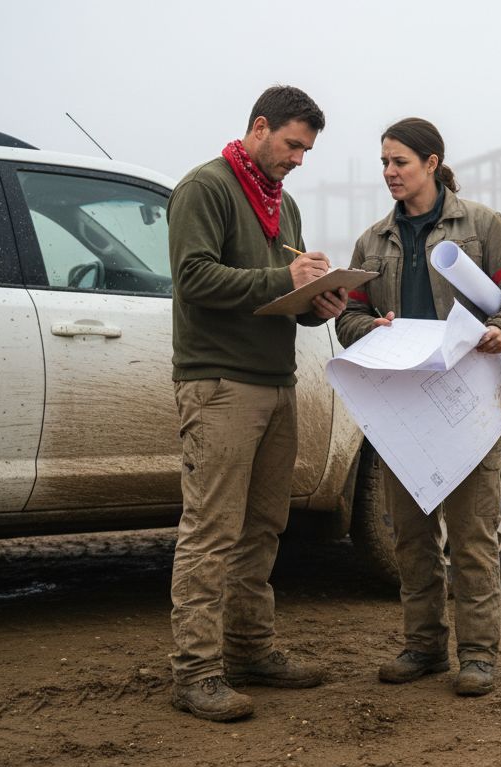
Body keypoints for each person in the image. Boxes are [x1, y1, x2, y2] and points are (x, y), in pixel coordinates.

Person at [336, 117, 501, 696]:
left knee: (473, 535)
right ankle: (423, 646)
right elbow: (347, 316)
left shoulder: (479, 225)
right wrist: (368, 328)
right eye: (383, 162)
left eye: (399, 162)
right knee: (411, 535)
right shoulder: (373, 241)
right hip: (405, 406)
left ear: (431, 163)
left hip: (469, 400)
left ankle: (477, 655)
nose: (389, 173)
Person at [167, 85, 348, 722]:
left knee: (264, 525)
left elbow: (282, 297)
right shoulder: (205, 188)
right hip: (219, 383)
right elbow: (191, 278)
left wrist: (319, 301)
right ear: (260, 127)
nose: (299, 159)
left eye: (306, 150)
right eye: (293, 145)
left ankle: (249, 649)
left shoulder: (283, 204)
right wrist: (285, 279)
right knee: (212, 532)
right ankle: (194, 673)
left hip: (274, 382)